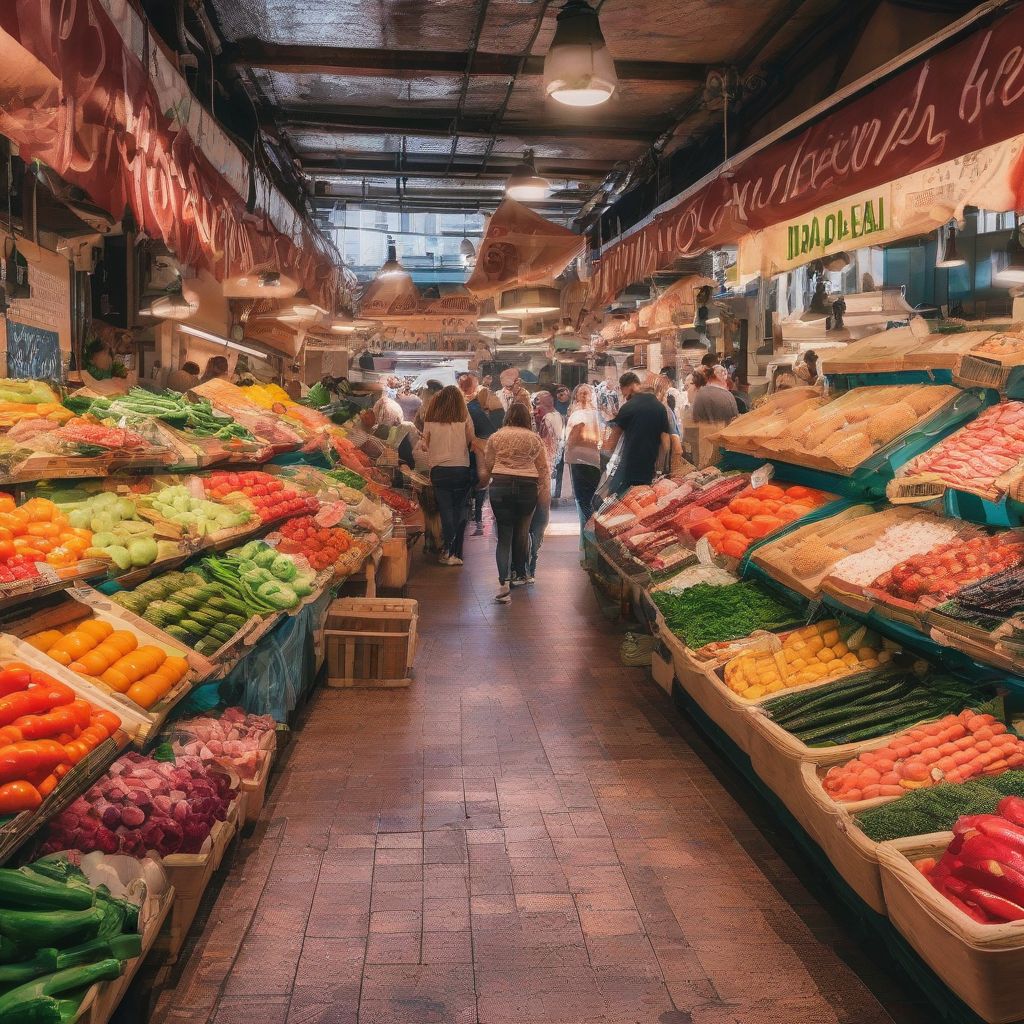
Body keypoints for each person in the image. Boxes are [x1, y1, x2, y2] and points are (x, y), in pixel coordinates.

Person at [480, 402, 550, 604]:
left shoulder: (497, 436)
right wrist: (543, 494)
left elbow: (489, 464)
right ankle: (520, 574)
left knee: (504, 535)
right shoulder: (534, 439)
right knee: (522, 531)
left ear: (508, 416)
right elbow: (543, 470)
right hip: (527, 487)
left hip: (500, 486)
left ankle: (503, 581)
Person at [418, 386, 479, 566]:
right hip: (461, 467)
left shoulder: (430, 419)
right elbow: (471, 440)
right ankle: (455, 552)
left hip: (439, 470)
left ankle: (447, 551)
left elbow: (425, 445)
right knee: (460, 509)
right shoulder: (464, 418)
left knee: (445, 510)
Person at [602, 371, 671, 495]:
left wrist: (604, 457)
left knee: (621, 504)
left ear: (631, 386)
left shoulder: (628, 407)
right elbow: (665, 443)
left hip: (628, 468)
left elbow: (613, 438)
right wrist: (659, 467)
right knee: (643, 502)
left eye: (624, 393)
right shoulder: (660, 408)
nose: (624, 397)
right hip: (649, 468)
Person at [460, 374, 496, 536]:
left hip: (472, 450)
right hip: (480, 450)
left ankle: (470, 517)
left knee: (473, 482)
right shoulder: (476, 407)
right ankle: (478, 518)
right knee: (480, 484)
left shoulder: (468, 407)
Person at [564, 384, 603, 534]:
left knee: (583, 500)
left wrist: (567, 450)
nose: (584, 396)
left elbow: (575, 434)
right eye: (582, 393)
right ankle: (591, 533)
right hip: (594, 459)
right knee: (591, 497)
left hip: (579, 460)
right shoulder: (596, 414)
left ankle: (588, 534)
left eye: (586, 393)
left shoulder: (579, 414)